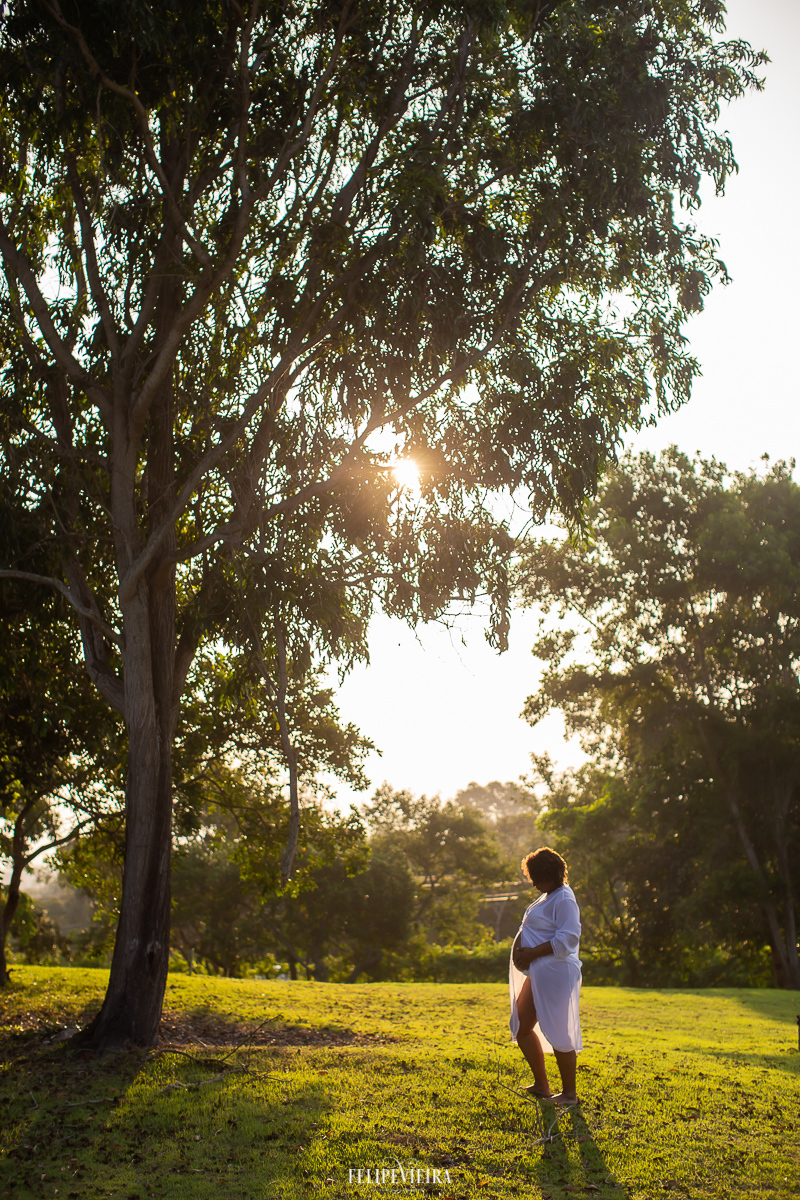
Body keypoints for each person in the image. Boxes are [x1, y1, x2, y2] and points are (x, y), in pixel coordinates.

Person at [509, 846, 582, 1106]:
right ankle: (542, 1085)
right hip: (540, 971)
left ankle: (569, 1094)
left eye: (536, 878)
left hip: (555, 971)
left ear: (548, 875)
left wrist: (530, 953)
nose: (534, 884)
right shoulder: (548, 896)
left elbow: (568, 939)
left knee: (559, 1030)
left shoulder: (563, 899)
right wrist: (523, 951)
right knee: (521, 1025)